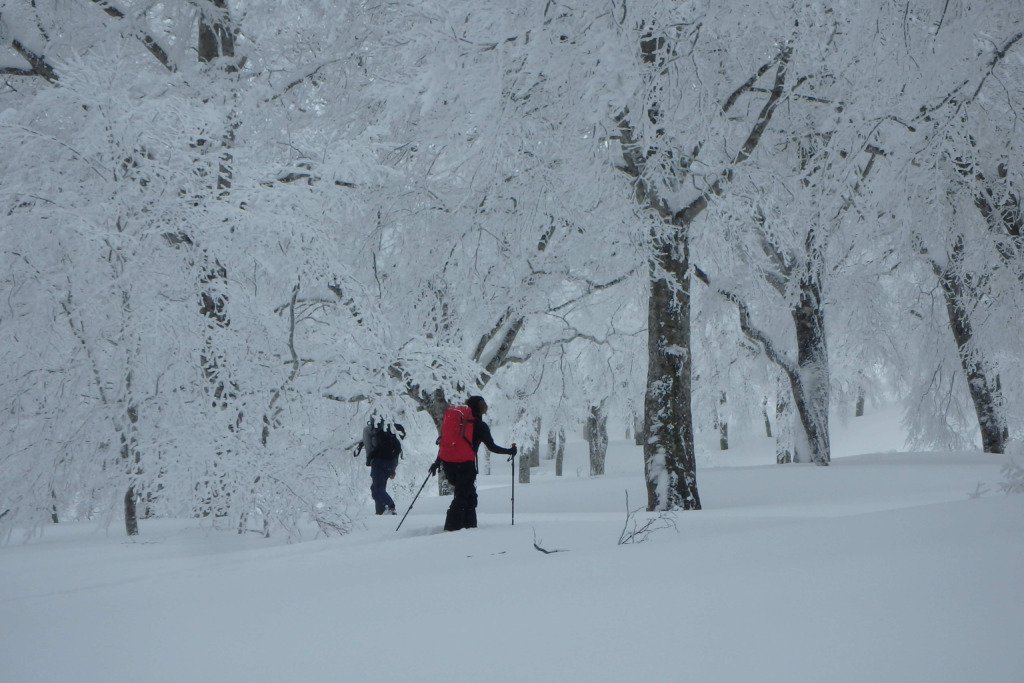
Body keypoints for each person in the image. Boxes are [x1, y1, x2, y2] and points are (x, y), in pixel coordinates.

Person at [430, 395, 516, 531]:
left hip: (448, 465)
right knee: (462, 497)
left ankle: (470, 527)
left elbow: (446, 444)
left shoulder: (457, 424)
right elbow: (492, 447)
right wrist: (509, 451)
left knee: (469, 495)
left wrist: (437, 462)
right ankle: (451, 529)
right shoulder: (480, 426)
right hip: (465, 466)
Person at [355, 418, 405, 515]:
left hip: (378, 462)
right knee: (380, 488)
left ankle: (389, 507)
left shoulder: (370, 429)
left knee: (377, 489)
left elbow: (368, 445)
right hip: (391, 463)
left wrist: (369, 458)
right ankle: (381, 511)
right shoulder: (393, 429)